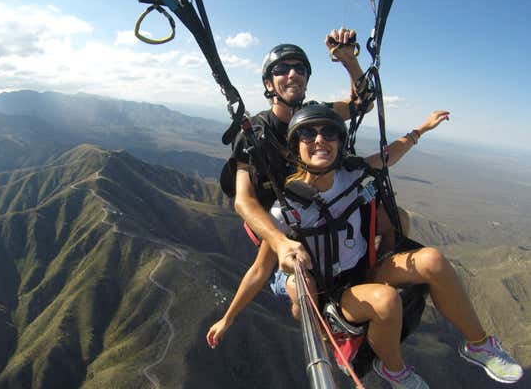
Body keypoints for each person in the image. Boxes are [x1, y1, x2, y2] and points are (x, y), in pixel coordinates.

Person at [209, 105, 524, 388]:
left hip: (365, 269)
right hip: (335, 296)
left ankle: (478, 343)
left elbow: (390, 155)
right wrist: (229, 318)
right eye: (308, 133)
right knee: (386, 301)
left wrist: (421, 130)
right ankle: (394, 369)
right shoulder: (285, 211)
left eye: (329, 131)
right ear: (296, 147)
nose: (319, 139)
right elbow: (259, 271)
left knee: (433, 260)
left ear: (339, 142)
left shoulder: (352, 173)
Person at [221, 28, 375, 276]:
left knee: (396, 219)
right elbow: (243, 200)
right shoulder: (253, 134)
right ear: (268, 83)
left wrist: (349, 59)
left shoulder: (318, 115)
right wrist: (279, 241)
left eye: (299, 69)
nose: (292, 74)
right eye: (281, 69)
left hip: (329, 216)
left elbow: (363, 104)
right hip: (287, 232)